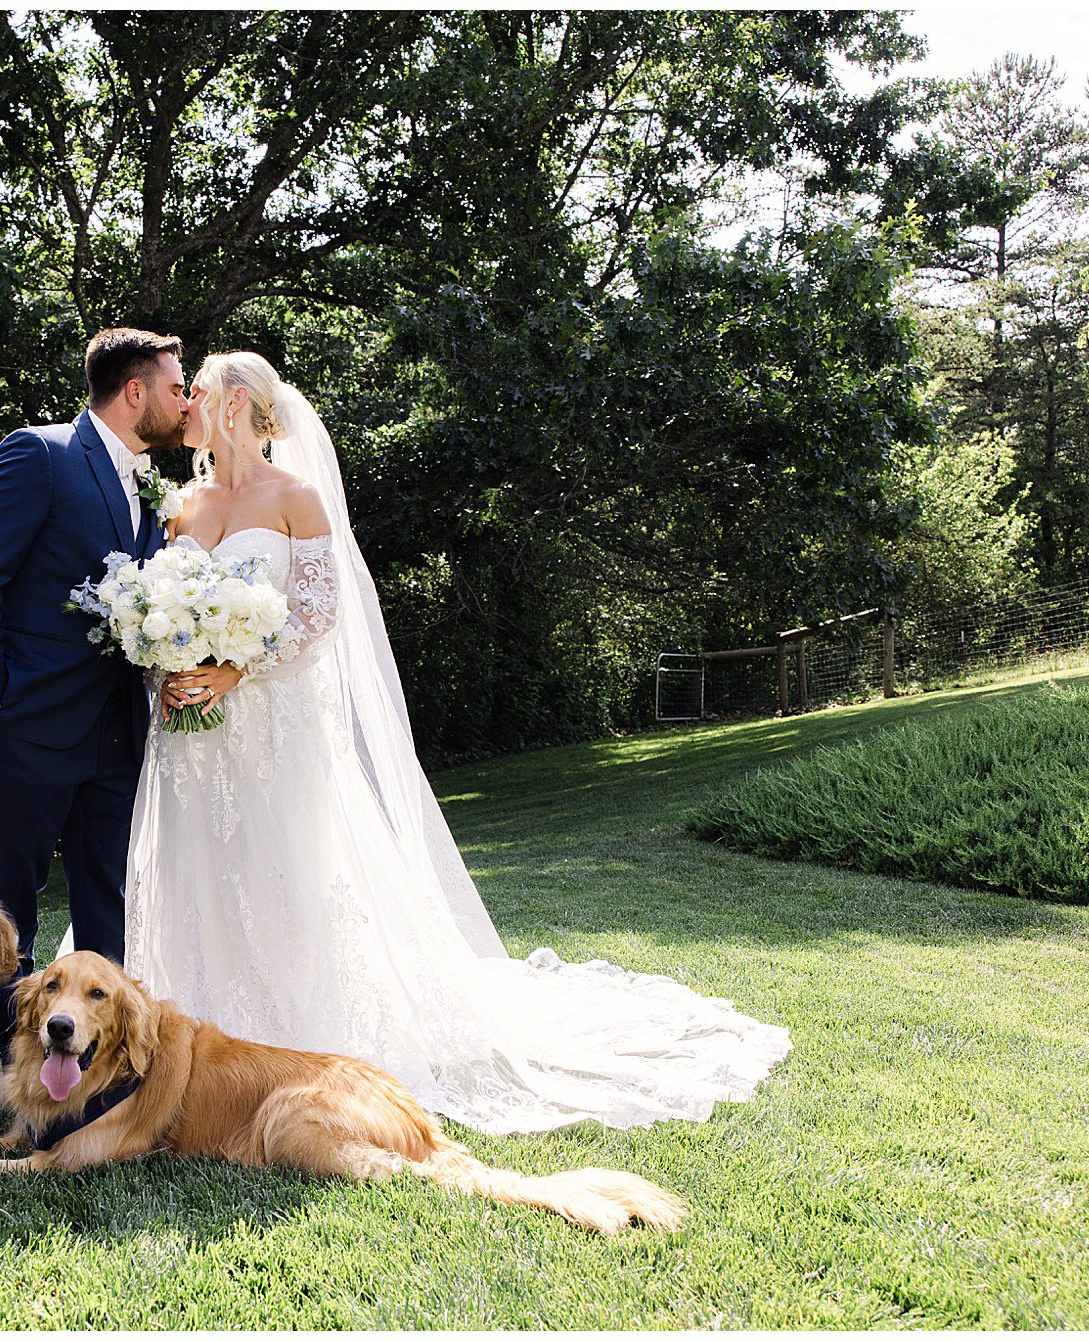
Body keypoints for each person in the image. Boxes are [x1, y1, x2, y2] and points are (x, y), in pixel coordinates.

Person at [122, 351, 791, 1134]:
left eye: (196, 390)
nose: (186, 404)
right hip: (192, 742)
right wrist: (168, 666)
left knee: (281, 869)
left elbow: (315, 618)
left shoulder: (296, 498)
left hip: (272, 729)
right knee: (200, 869)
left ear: (235, 403)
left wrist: (235, 670)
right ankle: (191, 1053)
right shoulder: (180, 506)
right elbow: (155, 607)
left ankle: (289, 1041)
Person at [0, 328, 185, 977]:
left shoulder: (156, 489)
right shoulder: (40, 453)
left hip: (119, 735)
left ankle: (95, 1070)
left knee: (107, 907)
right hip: (31, 724)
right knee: (2, 915)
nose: (186, 402)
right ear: (135, 391)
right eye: (175, 388)